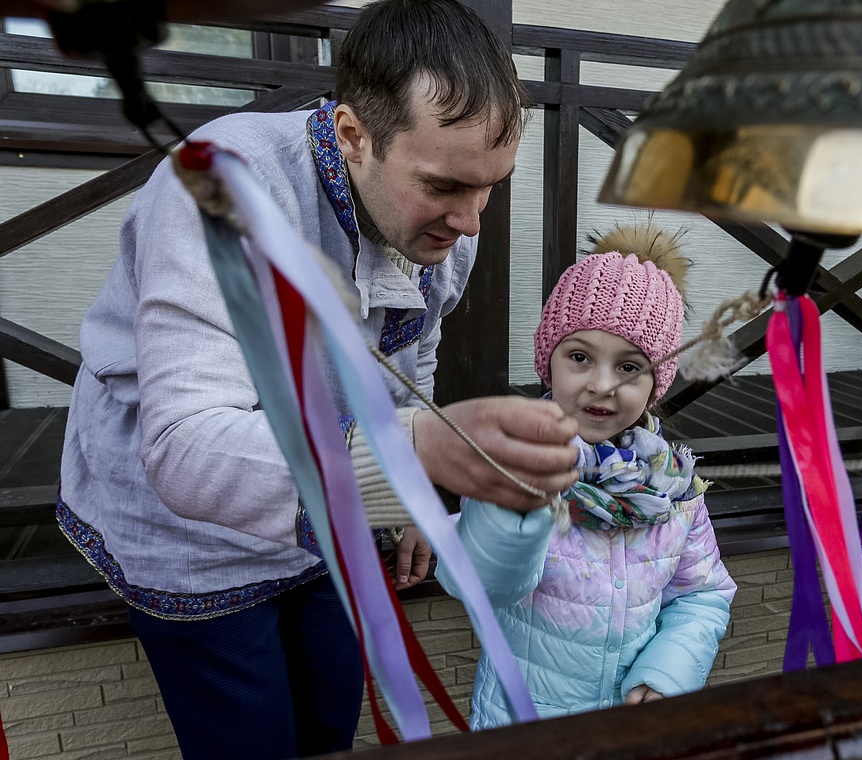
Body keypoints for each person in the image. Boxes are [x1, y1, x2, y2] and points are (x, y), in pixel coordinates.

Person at [57, 2, 579, 758]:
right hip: (190, 529)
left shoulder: (445, 226)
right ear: (351, 135)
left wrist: (402, 504)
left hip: (335, 508)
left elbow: (412, 354)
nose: (470, 223)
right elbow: (182, 446)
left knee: (331, 724)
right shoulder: (216, 188)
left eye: (489, 187)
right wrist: (412, 453)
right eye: (443, 187)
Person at [435, 221, 738, 729]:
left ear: (655, 384)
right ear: (547, 363)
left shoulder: (674, 486)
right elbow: (481, 584)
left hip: (627, 732)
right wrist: (514, 504)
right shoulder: (512, 461)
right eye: (580, 357)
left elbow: (702, 594)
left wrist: (667, 674)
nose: (602, 385)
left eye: (629, 368)